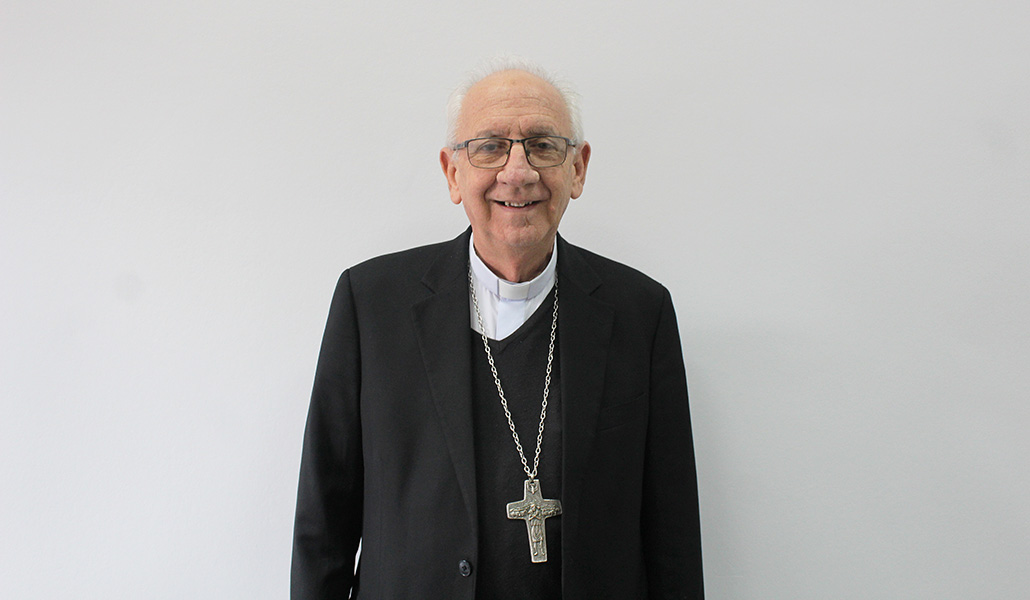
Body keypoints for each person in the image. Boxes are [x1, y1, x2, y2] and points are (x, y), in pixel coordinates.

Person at [291, 61, 704, 599]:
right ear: (452, 172)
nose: (519, 171)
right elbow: (323, 524)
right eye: (489, 147)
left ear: (577, 169)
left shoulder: (639, 312)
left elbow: (671, 537)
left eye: (543, 145)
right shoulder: (371, 305)